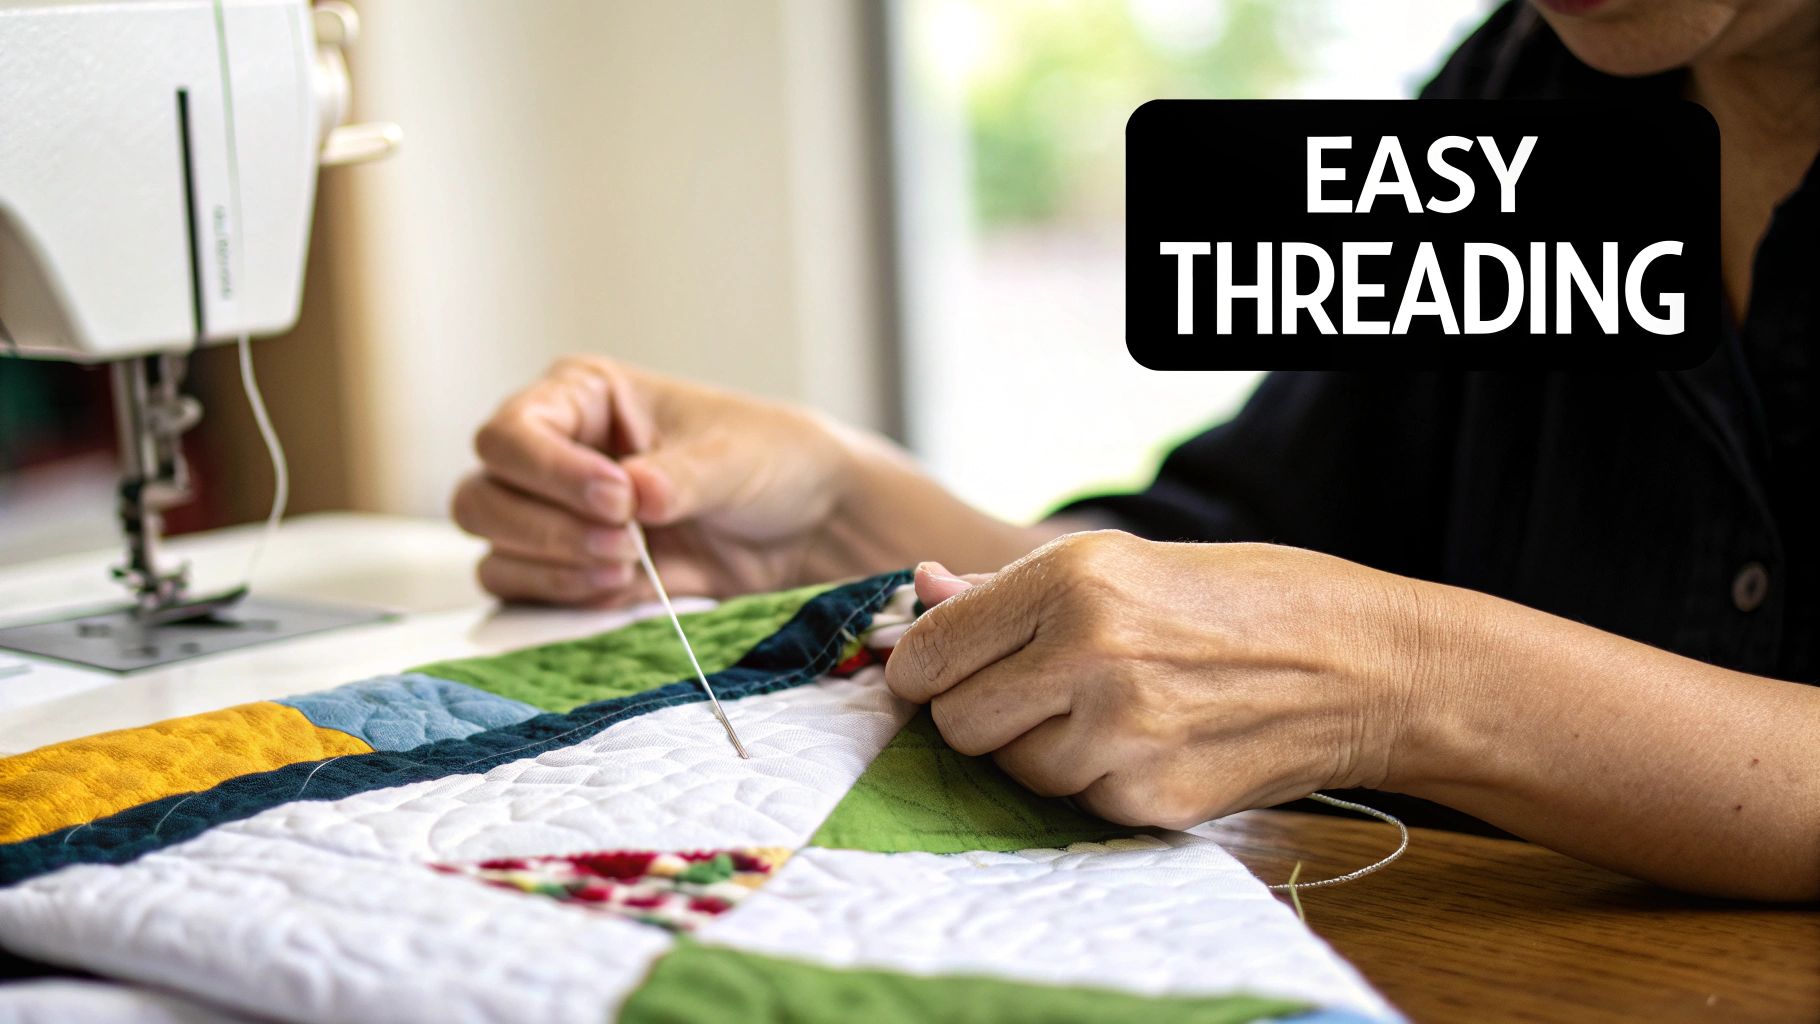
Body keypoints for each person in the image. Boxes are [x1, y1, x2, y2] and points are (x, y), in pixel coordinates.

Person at [451, 0, 1820, 902]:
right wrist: (831, 509)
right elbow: (1226, 564)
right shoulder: (1523, 90)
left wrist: (1408, 678)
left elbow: (1340, 639)